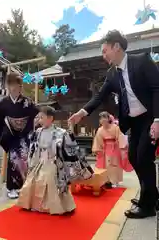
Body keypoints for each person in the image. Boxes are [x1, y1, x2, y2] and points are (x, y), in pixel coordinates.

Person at [68, 30, 159, 218]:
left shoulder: (141, 60)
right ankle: (151, 196)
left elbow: (157, 88)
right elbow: (99, 96)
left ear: (116, 47)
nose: (103, 56)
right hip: (134, 122)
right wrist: (82, 112)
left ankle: (148, 205)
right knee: (134, 158)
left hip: (151, 118)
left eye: (104, 50)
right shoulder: (112, 74)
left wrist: (158, 120)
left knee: (143, 158)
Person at [17, 106, 94, 215]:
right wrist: (31, 162)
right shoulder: (38, 132)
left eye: (42, 117)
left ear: (50, 118)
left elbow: (71, 147)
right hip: (40, 161)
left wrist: (71, 131)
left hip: (53, 162)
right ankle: (34, 204)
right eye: (39, 117)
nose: (39, 120)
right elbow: (33, 148)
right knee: (33, 180)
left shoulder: (61, 133)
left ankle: (57, 206)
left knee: (52, 181)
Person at [0, 72, 39, 199]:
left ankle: (24, 186)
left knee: (24, 159)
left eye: (15, 85)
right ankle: (12, 187)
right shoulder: (3, 103)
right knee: (13, 159)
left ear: (20, 86)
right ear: (7, 86)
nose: (13, 88)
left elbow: (37, 115)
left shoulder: (28, 102)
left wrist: (39, 124)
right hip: (10, 134)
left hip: (24, 134)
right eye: (10, 85)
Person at [92, 111, 132, 189]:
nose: (103, 120)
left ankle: (115, 181)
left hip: (115, 147)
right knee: (106, 165)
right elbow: (98, 140)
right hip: (105, 148)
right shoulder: (100, 130)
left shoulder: (115, 127)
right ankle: (107, 181)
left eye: (104, 118)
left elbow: (120, 137)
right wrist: (98, 149)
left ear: (108, 119)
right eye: (101, 118)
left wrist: (122, 147)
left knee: (115, 164)